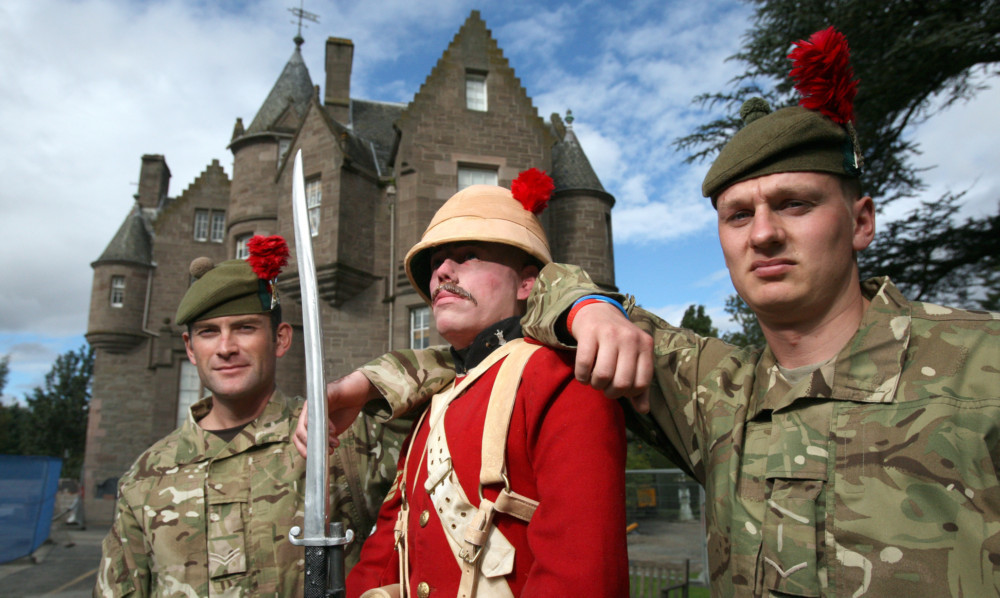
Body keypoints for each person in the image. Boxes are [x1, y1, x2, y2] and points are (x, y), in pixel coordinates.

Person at [305, 28, 1000, 597]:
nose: (762, 233)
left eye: (794, 203)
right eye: (737, 215)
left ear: (861, 219)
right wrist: (588, 307)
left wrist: (584, 306)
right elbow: (483, 351)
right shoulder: (721, 391)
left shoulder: (980, 368)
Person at [337, 171, 628, 597]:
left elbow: (580, 579)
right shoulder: (433, 400)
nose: (442, 272)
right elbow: (387, 549)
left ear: (528, 282)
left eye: (467, 255)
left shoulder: (563, 377)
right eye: (436, 263)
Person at [95, 236, 402, 597]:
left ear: (280, 339)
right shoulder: (145, 478)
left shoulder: (344, 437)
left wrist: (365, 384)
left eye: (245, 328)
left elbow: (464, 371)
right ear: (190, 349)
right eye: (209, 332)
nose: (226, 348)